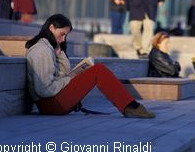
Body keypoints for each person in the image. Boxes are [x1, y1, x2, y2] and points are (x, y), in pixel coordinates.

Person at [25, 14, 155, 118]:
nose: (64, 39)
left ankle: (130, 106)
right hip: (50, 105)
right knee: (98, 71)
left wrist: (60, 54)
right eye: (62, 34)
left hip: (53, 101)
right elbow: (44, 90)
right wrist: (70, 78)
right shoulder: (41, 51)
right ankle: (130, 107)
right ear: (51, 28)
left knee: (97, 70)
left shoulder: (49, 48)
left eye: (66, 35)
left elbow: (60, 75)